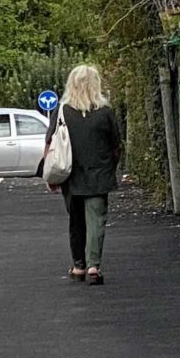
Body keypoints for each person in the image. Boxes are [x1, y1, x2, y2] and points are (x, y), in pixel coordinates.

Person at [49, 64, 124, 285]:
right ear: (95, 85)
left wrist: (51, 177)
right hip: (99, 175)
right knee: (96, 221)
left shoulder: (62, 112)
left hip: (70, 175)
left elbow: (50, 142)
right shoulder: (105, 113)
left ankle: (78, 266)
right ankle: (93, 266)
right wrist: (110, 168)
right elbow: (116, 146)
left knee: (76, 221)